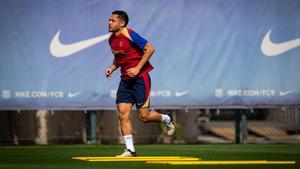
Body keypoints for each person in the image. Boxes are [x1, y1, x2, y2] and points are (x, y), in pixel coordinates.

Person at [105, 10, 175, 157]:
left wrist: (137, 68)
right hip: (125, 81)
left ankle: (166, 118)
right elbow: (119, 58)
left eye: (113, 20)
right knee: (123, 115)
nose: (109, 23)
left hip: (140, 79)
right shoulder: (111, 39)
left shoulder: (130, 34)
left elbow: (150, 49)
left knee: (143, 117)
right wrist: (112, 67)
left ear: (122, 23)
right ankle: (130, 150)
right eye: (109, 20)